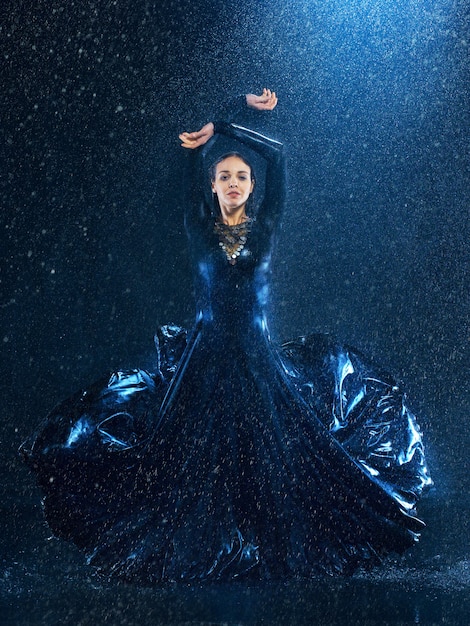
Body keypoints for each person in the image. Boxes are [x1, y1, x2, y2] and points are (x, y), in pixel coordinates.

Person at [21, 89, 432, 582]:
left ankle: (272, 536)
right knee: (191, 462)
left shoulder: (265, 225)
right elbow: (193, 152)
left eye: (241, 176)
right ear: (212, 187)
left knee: (276, 455)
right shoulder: (200, 225)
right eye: (224, 176)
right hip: (206, 356)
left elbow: (276, 156)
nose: (233, 183)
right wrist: (214, 129)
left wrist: (233, 119)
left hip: (257, 358)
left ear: (252, 185)